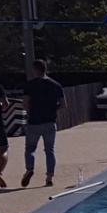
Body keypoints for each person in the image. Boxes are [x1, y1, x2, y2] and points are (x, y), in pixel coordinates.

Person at [20, 59, 65, 188]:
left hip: (34, 121)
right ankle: (49, 177)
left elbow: (25, 103)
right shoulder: (56, 85)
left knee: (30, 148)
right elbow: (63, 104)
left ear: (34, 70)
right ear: (46, 69)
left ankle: (30, 168)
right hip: (50, 121)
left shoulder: (29, 85)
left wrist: (30, 111)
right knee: (50, 150)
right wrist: (52, 109)